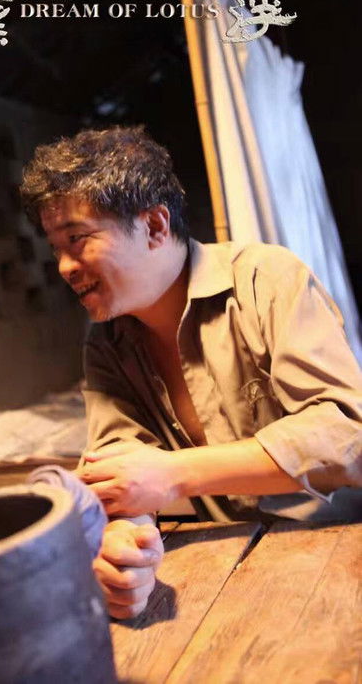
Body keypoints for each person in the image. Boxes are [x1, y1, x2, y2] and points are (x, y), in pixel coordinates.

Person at [20, 125, 362, 619]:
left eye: (78, 239)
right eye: (56, 248)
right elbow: (121, 469)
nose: (64, 267)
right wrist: (126, 550)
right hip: (230, 563)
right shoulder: (107, 341)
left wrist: (174, 474)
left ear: (155, 226)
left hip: (339, 545)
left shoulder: (264, 279)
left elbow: (347, 431)